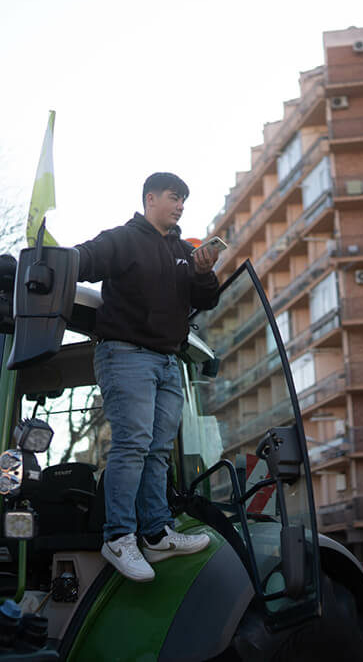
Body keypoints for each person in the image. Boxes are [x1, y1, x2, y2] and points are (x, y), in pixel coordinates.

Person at [75, 172, 221, 582]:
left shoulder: (183, 251)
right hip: (126, 354)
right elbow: (84, 258)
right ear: (150, 198)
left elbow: (205, 299)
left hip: (168, 361)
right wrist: (50, 258)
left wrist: (204, 272)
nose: (180, 207)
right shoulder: (124, 239)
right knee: (133, 444)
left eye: (184, 202)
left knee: (158, 450)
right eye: (175, 198)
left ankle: (155, 533)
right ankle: (119, 536)